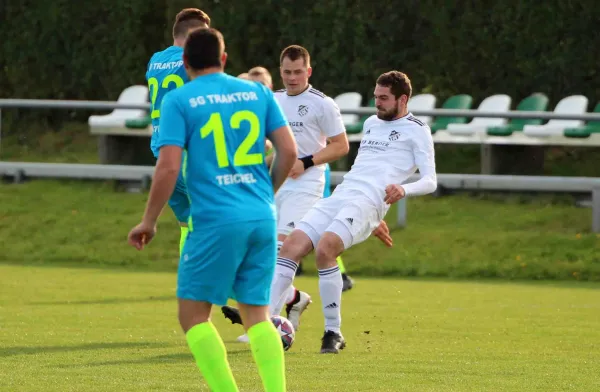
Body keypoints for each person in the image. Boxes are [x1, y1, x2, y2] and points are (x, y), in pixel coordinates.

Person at [128, 27, 297, 391]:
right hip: (261, 216)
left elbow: (169, 167)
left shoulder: (180, 100)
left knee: (192, 315)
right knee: (257, 316)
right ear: (224, 59)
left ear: (185, 63)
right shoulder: (257, 92)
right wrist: (266, 193)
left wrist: (149, 220)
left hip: (215, 219)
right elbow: (289, 152)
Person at [271, 70, 437, 353]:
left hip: (370, 201)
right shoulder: (372, 123)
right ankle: (263, 319)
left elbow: (431, 180)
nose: (377, 103)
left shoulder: (418, 130)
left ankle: (332, 332)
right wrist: (370, 224)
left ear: (403, 99)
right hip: (343, 195)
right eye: (376, 97)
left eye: (384, 98)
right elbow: (364, 169)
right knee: (291, 247)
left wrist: (403, 191)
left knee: (325, 250)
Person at [145, 8, 210, 255]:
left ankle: (187, 285)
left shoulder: (155, 60)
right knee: (218, 221)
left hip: (161, 148)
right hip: (188, 152)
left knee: (186, 225)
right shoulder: (192, 59)